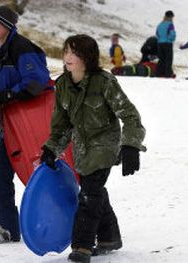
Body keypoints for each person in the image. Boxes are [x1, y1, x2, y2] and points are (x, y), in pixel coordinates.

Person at [40, 34, 146, 263]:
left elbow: (130, 115)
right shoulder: (62, 85)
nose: (68, 57)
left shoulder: (104, 83)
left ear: (87, 58)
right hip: (82, 150)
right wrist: (51, 149)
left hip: (105, 146)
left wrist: (130, 146)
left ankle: (82, 246)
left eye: (75, 53)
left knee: (88, 194)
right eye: (66, 51)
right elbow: (61, 125)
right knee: (94, 191)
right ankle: (109, 237)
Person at [0, 6, 51, 244]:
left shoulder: (21, 48)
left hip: (32, 124)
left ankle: (60, 221)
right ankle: (6, 227)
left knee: (40, 174)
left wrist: (8, 96)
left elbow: (38, 81)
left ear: (7, 26)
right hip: (10, 123)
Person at [155, 10, 176, 78]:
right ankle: (167, 74)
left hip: (160, 43)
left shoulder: (160, 24)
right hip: (167, 43)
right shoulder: (170, 24)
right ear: (171, 17)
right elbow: (172, 34)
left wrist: (161, 39)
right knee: (168, 59)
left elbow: (157, 33)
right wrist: (171, 39)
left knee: (161, 59)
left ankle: (158, 73)